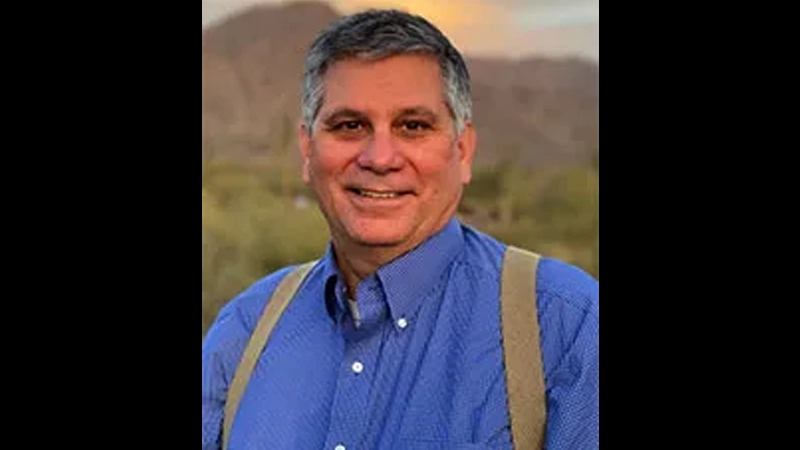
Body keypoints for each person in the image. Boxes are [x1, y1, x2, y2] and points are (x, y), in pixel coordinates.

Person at [202, 8, 598, 450]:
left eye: (413, 126)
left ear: (462, 151)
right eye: (350, 125)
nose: (380, 157)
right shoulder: (242, 333)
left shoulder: (568, 326)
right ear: (308, 151)